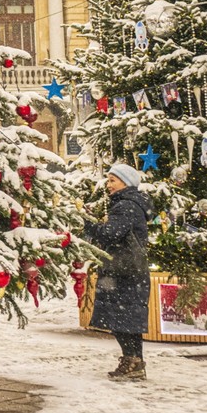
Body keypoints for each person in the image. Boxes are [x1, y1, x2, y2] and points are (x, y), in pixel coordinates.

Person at [82, 163, 153, 382]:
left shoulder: (126, 206)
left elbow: (109, 233)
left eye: (113, 180)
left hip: (123, 271)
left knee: (121, 319)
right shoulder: (132, 204)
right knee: (128, 320)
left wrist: (87, 223)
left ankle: (132, 361)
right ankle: (134, 362)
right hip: (131, 270)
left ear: (126, 183)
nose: (108, 185)